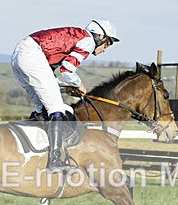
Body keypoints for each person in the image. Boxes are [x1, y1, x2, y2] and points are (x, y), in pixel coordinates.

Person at [11, 18, 119, 169]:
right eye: (108, 43)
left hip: (20, 56)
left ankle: (27, 151)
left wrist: (66, 87)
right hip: (32, 55)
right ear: (99, 36)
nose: (105, 49)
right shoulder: (88, 41)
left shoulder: (76, 36)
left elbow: (48, 79)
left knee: (41, 108)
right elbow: (67, 70)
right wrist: (78, 84)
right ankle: (55, 160)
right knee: (56, 109)